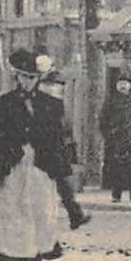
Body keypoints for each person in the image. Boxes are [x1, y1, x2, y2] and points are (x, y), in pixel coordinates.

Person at [0, 50, 72, 261]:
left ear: (38, 79)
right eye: (23, 77)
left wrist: (61, 166)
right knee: (16, 213)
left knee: (41, 212)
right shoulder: (2, 105)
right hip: (13, 166)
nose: (28, 82)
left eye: (32, 77)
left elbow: (58, 139)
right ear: (17, 77)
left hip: (41, 165)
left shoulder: (51, 105)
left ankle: (38, 257)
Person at [37, 63, 91, 231]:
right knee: (47, 188)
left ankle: (75, 215)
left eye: (60, 86)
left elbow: (65, 131)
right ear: (46, 86)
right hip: (44, 152)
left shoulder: (57, 104)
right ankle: (72, 216)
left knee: (62, 186)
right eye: (55, 86)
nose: (58, 89)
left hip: (56, 153)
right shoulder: (42, 104)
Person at [99, 73, 131, 203]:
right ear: (117, 85)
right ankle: (116, 194)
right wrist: (109, 135)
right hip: (115, 140)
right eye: (121, 83)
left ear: (130, 86)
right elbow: (102, 121)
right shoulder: (110, 101)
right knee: (116, 168)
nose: (123, 86)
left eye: (126, 83)